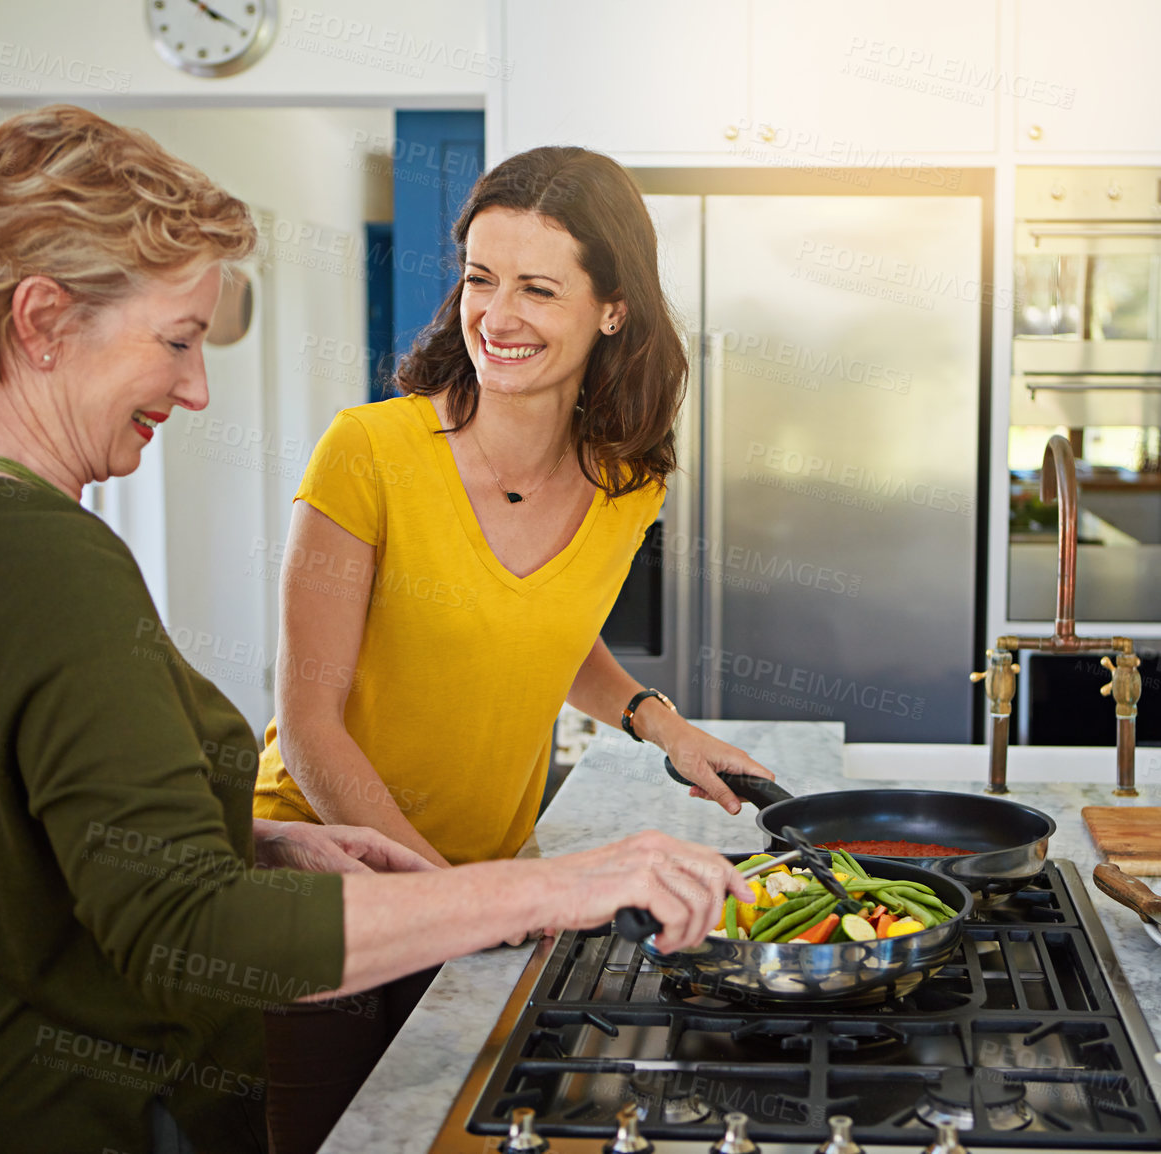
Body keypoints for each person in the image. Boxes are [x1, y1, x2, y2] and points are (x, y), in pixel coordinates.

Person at [0, 105, 748, 1154]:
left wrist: (253, 839)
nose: (198, 387)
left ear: (613, 311)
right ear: (40, 321)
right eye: (178, 339)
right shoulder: (47, 560)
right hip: (66, 1107)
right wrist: (544, 885)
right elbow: (184, 925)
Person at [248, 146, 777, 1149]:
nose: (496, 315)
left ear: (610, 308)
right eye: (481, 279)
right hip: (333, 895)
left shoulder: (629, 481)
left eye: (537, 286)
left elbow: (543, 630)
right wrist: (453, 894)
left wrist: (659, 722)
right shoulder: (368, 453)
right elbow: (311, 728)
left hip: (490, 885)